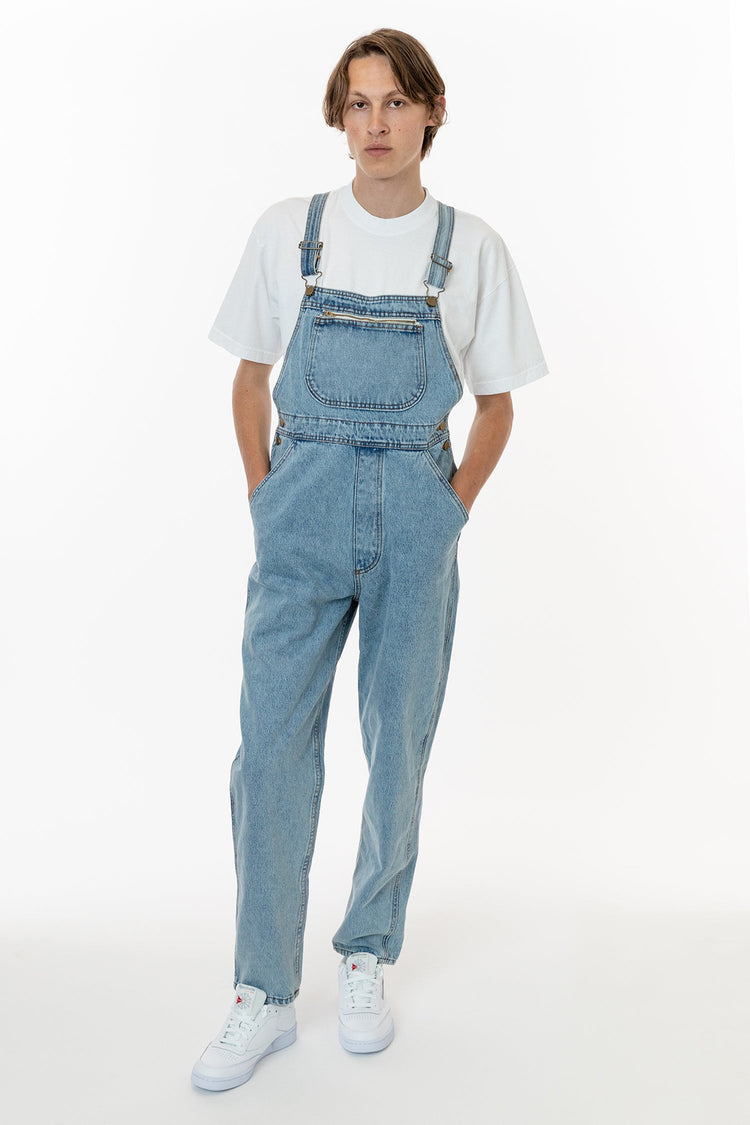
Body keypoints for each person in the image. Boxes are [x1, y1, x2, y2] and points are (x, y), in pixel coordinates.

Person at [191, 27, 549, 1092]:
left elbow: (498, 406)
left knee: (398, 742)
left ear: (431, 111)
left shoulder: (470, 247)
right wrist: (265, 498)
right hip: (298, 512)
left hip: (414, 516)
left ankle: (365, 953)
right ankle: (263, 990)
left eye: (395, 102)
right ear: (338, 119)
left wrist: (450, 510)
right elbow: (248, 377)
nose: (377, 124)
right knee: (270, 750)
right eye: (358, 104)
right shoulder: (290, 232)